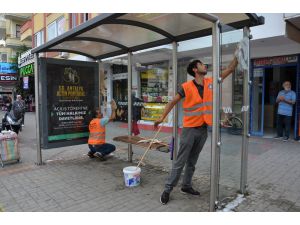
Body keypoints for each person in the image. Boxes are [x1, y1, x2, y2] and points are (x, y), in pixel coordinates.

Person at [154, 54, 238, 205]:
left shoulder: (211, 82)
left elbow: (230, 69)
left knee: (192, 161)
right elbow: (172, 102)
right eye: (201, 64)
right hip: (189, 130)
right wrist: (162, 118)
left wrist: (238, 54)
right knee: (180, 161)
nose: (205, 66)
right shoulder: (186, 87)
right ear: (195, 69)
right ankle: (167, 189)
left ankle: (186, 186)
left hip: (203, 130)